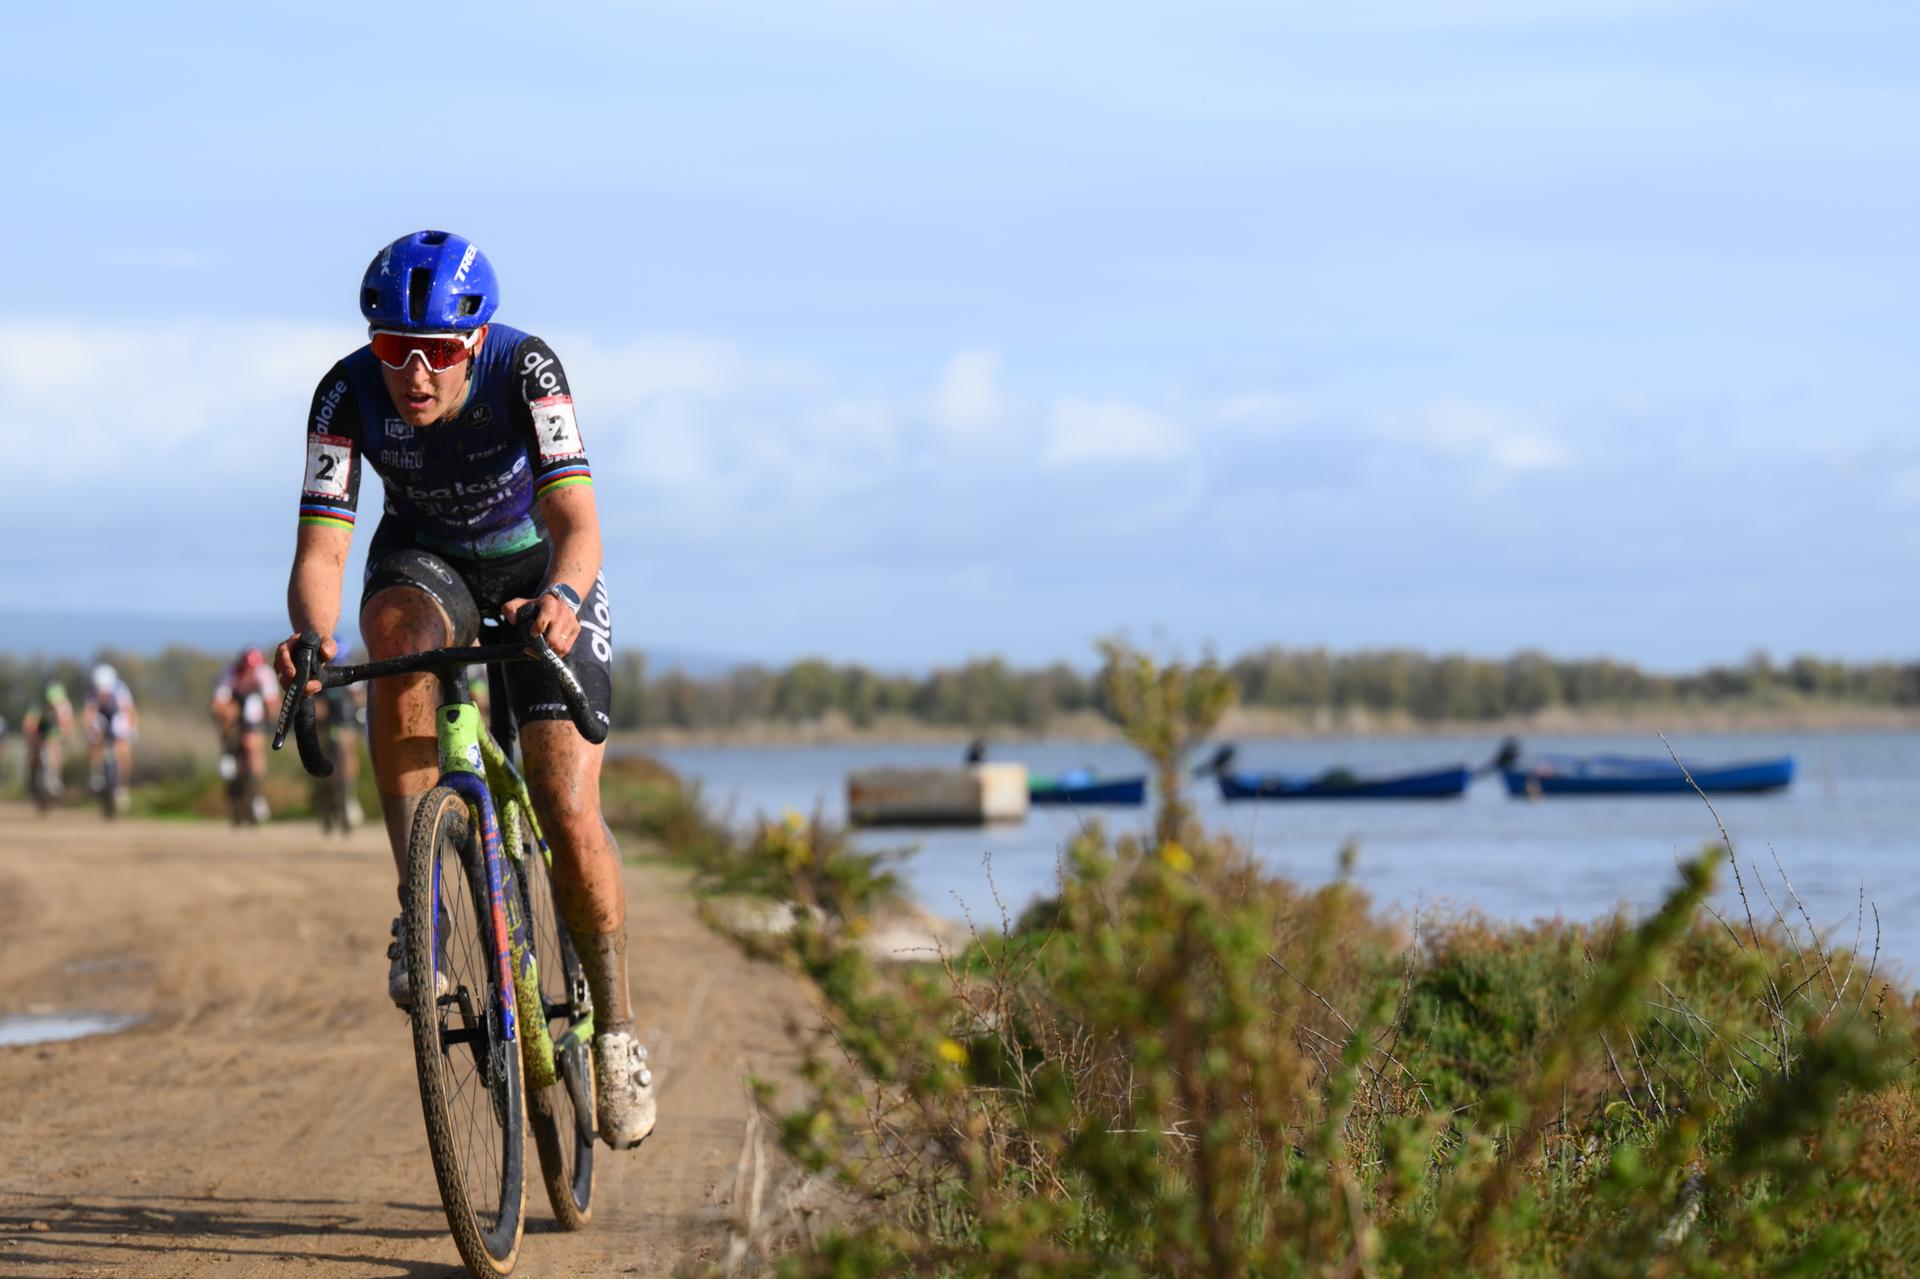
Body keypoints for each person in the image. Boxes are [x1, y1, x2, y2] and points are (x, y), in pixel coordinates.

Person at [272, 230, 652, 1150]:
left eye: (436, 352)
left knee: (565, 804)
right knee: (393, 640)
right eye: (394, 349)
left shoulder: (528, 369)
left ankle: (618, 1028)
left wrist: (561, 597)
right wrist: (312, 639)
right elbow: (323, 546)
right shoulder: (344, 391)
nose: (413, 373)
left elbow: (580, 521)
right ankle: (422, 909)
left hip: (540, 565)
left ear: (472, 344)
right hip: (426, 560)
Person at [212, 648, 281, 823]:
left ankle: (256, 794)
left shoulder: (264, 674)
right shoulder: (231, 674)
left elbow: (272, 701)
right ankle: (228, 760)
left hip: (253, 713)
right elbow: (218, 703)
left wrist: (270, 715)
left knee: (254, 746)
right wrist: (226, 716)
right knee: (228, 722)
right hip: (234, 712)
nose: (249, 672)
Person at [84, 664, 138, 811]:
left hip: (117, 718)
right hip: (100, 718)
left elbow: (130, 712)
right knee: (94, 741)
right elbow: (89, 714)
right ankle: (96, 774)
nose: (103, 695)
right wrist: (90, 730)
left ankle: (122, 787)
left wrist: (131, 730)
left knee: (124, 750)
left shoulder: (121, 690)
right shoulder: (92, 692)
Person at [23, 679, 74, 804]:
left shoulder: (64, 707)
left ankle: (56, 779)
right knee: (33, 754)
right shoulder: (38, 706)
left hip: (53, 731)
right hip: (40, 731)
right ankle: (32, 783)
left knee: (56, 750)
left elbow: (68, 726)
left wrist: (63, 737)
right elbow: (29, 723)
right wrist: (32, 736)